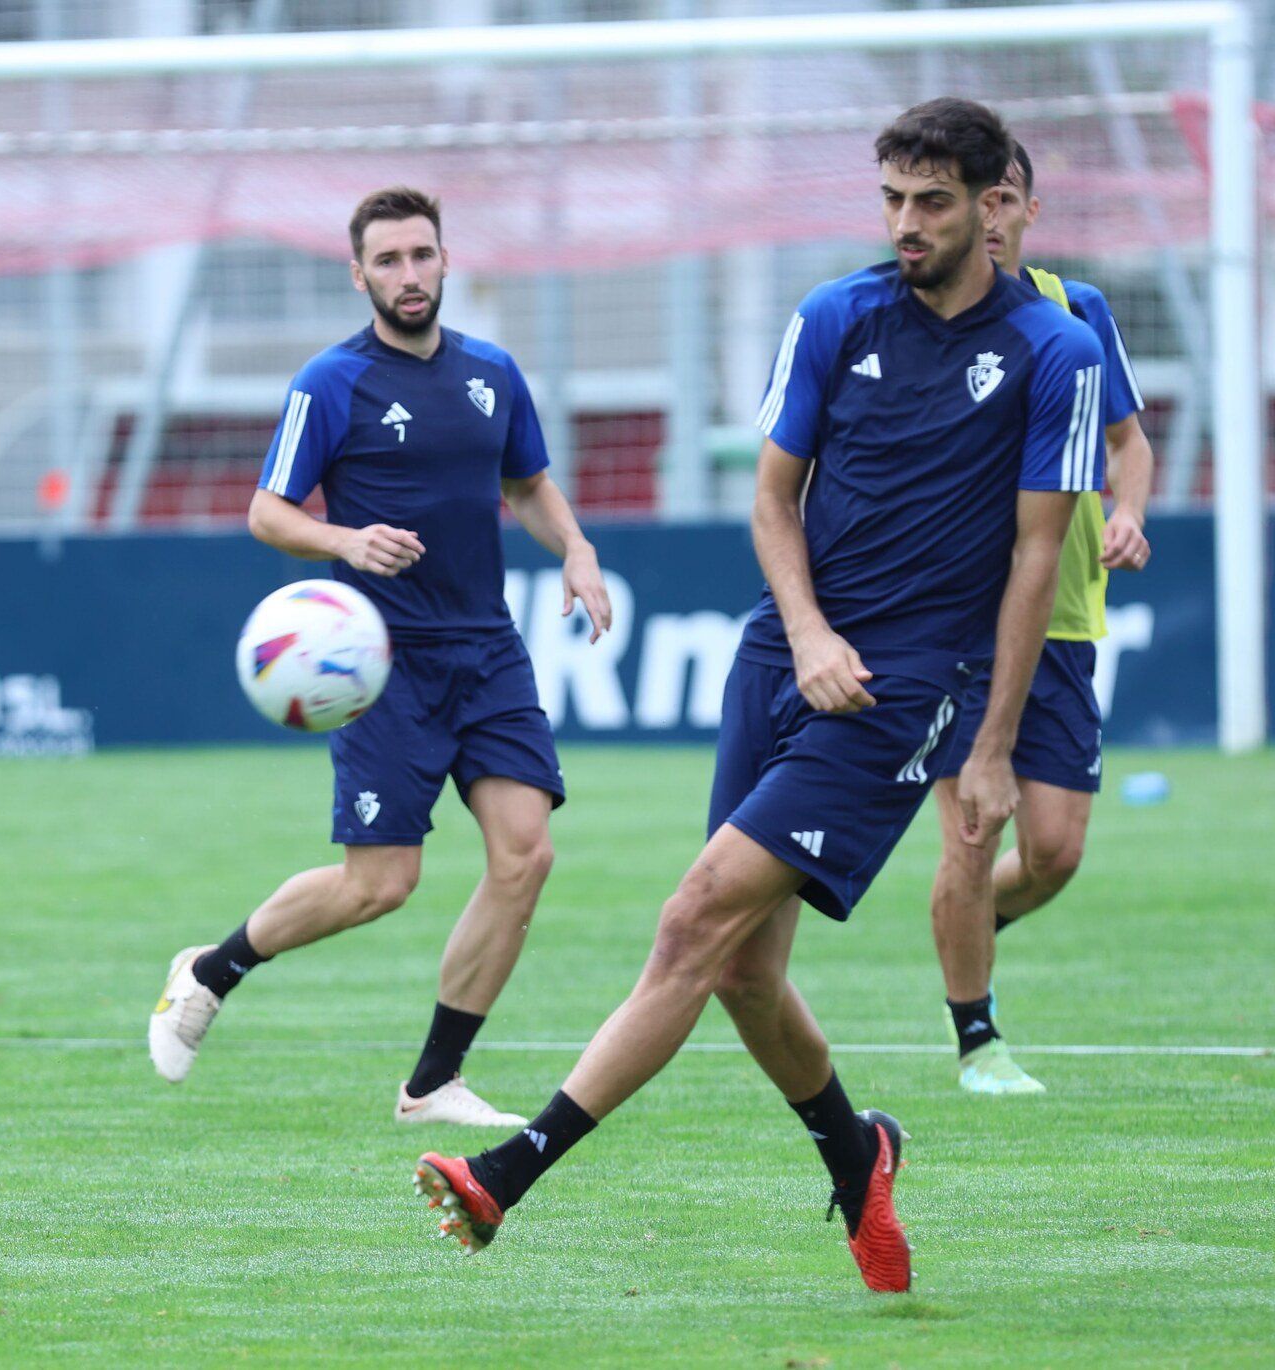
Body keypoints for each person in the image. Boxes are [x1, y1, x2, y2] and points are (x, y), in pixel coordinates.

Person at [407, 100, 1105, 1293]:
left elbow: (1036, 559)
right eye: (889, 199)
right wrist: (805, 630)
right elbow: (773, 499)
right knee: (736, 965)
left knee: (690, 918)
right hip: (779, 659)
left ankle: (506, 1172)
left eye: (930, 202)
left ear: (994, 206)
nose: (904, 224)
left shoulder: (1056, 351)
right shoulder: (834, 315)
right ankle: (857, 1148)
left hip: (897, 692)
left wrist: (988, 748)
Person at [147, 186, 612, 1127]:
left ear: (446, 262)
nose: (410, 275)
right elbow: (268, 512)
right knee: (381, 885)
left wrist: (574, 546)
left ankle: (433, 1081)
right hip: (381, 666)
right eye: (389, 261)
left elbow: (525, 481)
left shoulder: (493, 373)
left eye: (422, 256)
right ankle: (210, 969)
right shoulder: (332, 382)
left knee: (526, 855)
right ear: (359, 275)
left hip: (487, 650)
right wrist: (348, 541)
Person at [928, 141, 1154, 1094]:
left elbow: (1127, 441)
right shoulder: (922, 320)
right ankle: (976, 1035)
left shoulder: (1079, 312)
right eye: (973, 200)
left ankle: (961, 924)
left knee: (1054, 851)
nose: (989, 217)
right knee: (973, 834)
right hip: (954, 629)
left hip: (1062, 620)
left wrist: (1131, 508)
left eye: (1005, 198)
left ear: (1027, 210)